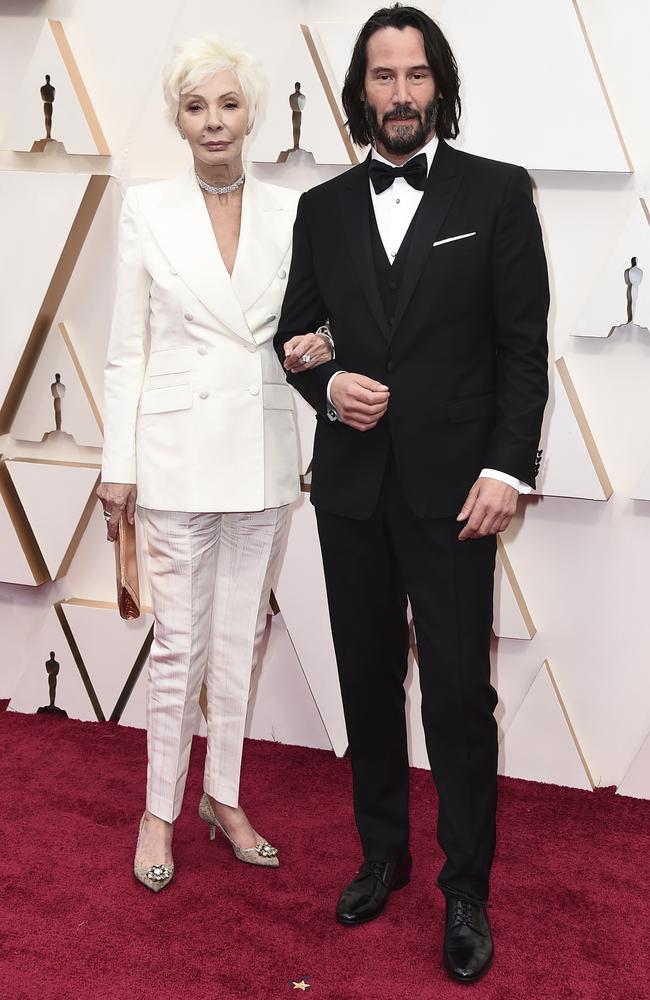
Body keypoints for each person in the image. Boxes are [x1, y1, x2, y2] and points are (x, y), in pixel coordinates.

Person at [275, 4, 548, 983]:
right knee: (364, 680)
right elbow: (296, 338)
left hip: (453, 493)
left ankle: (462, 883)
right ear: (361, 90)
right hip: (349, 491)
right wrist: (322, 382)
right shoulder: (320, 210)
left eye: (415, 75)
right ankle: (381, 852)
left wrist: (505, 467)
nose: (399, 94)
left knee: (456, 697)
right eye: (382, 77)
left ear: (440, 86)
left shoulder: (496, 194)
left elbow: (520, 349)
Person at [97, 35, 332, 893]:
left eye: (228, 104)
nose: (214, 121)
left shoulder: (293, 211)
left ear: (251, 112)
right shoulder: (147, 208)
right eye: (196, 107)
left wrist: (320, 345)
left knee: (242, 638)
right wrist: (117, 463)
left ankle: (222, 797)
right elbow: (127, 349)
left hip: (263, 449)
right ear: (178, 118)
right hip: (174, 453)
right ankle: (160, 807)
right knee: (178, 644)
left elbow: (317, 324)